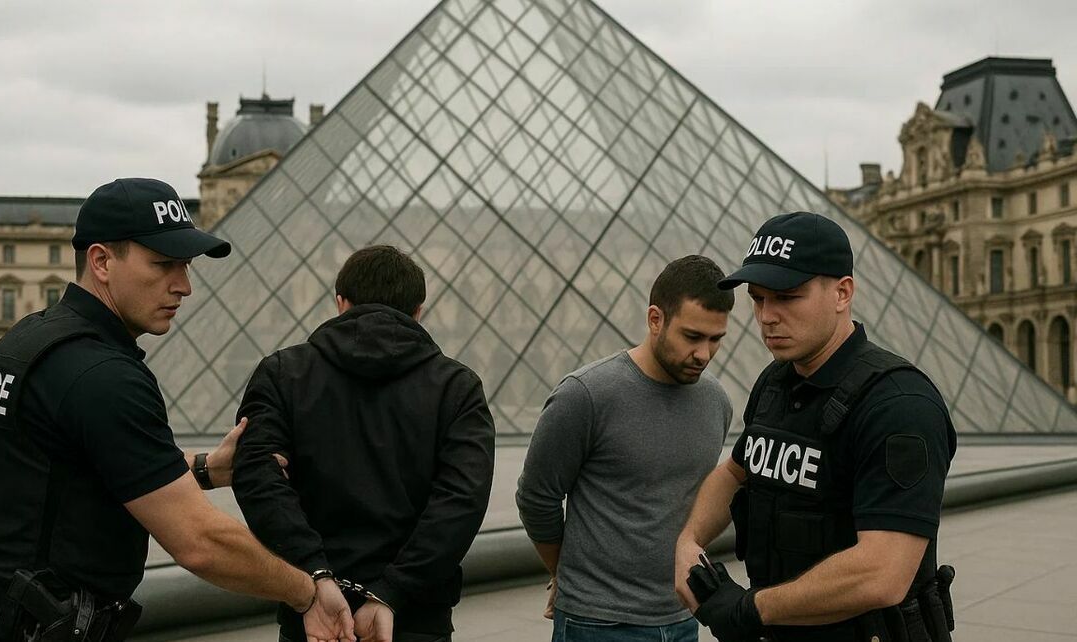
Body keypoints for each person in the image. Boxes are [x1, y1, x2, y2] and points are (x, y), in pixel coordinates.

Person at [0, 178, 347, 642]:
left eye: (185, 266)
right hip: (32, 626)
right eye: (164, 264)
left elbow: (75, 472)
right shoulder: (103, 375)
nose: (185, 286)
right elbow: (201, 543)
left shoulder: (28, 341)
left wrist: (207, 469)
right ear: (102, 261)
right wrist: (307, 590)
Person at [675, 211, 958, 642]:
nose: (766, 316)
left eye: (787, 296)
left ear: (842, 293)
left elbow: (882, 573)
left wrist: (751, 609)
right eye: (758, 298)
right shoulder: (775, 381)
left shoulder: (899, 405)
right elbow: (735, 471)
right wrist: (688, 541)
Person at [232, 245, 496, 642]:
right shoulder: (457, 388)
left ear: (341, 303)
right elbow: (461, 502)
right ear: (418, 311)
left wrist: (315, 575)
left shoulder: (281, 374)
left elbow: (257, 479)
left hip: (311, 614)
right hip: (415, 617)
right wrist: (392, 591)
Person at [515, 255, 735, 642]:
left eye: (716, 339)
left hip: (683, 616)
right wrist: (563, 573)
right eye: (692, 336)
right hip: (597, 623)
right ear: (655, 319)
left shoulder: (717, 402)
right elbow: (536, 497)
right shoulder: (585, 395)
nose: (704, 354)